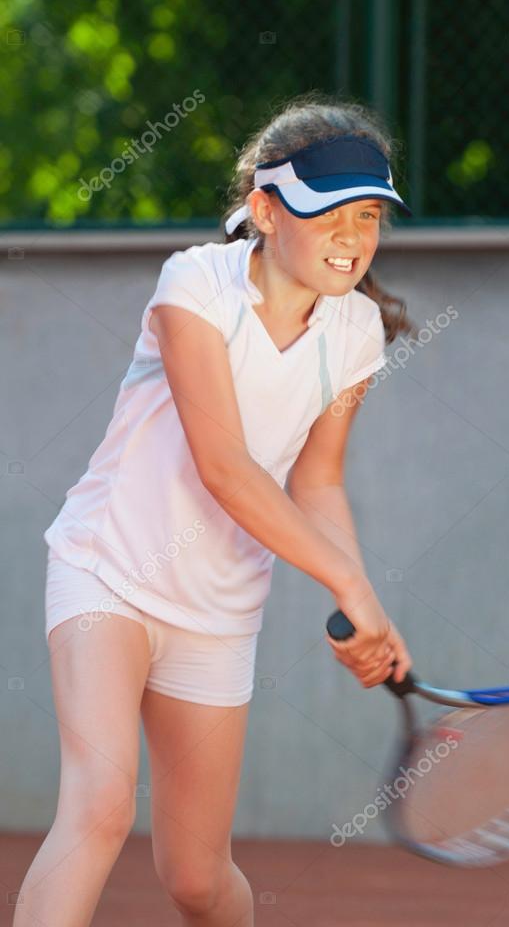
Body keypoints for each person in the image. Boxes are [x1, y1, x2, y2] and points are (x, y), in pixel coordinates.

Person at [18, 92, 416, 927]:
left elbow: (318, 482)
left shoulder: (356, 336)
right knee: (99, 806)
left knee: (198, 880)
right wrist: (349, 582)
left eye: (370, 217)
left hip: (220, 612)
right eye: (330, 214)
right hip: (108, 572)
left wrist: (357, 594)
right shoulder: (194, 284)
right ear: (266, 211)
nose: (352, 237)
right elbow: (226, 466)